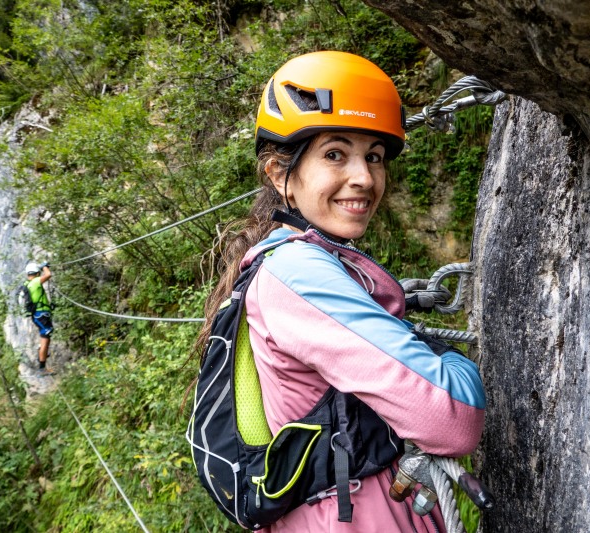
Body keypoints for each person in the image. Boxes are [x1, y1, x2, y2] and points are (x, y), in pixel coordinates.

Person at [196, 51, 486, 532]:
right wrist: (449, 358)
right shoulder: (300, 271)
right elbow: (452, 419)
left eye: (373, 156)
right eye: (335, 154)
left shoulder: (287, 258)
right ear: (279, 176)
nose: (364, 178)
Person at [25, 261, 54, 373]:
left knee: (45, 336)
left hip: (38, 315)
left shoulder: (28, 284)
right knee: (45, 338)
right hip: (41, 315)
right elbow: (48, 275)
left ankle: (41, 354)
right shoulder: (35, 281)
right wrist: (45, 267)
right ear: (37, 273)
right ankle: (42, 368)